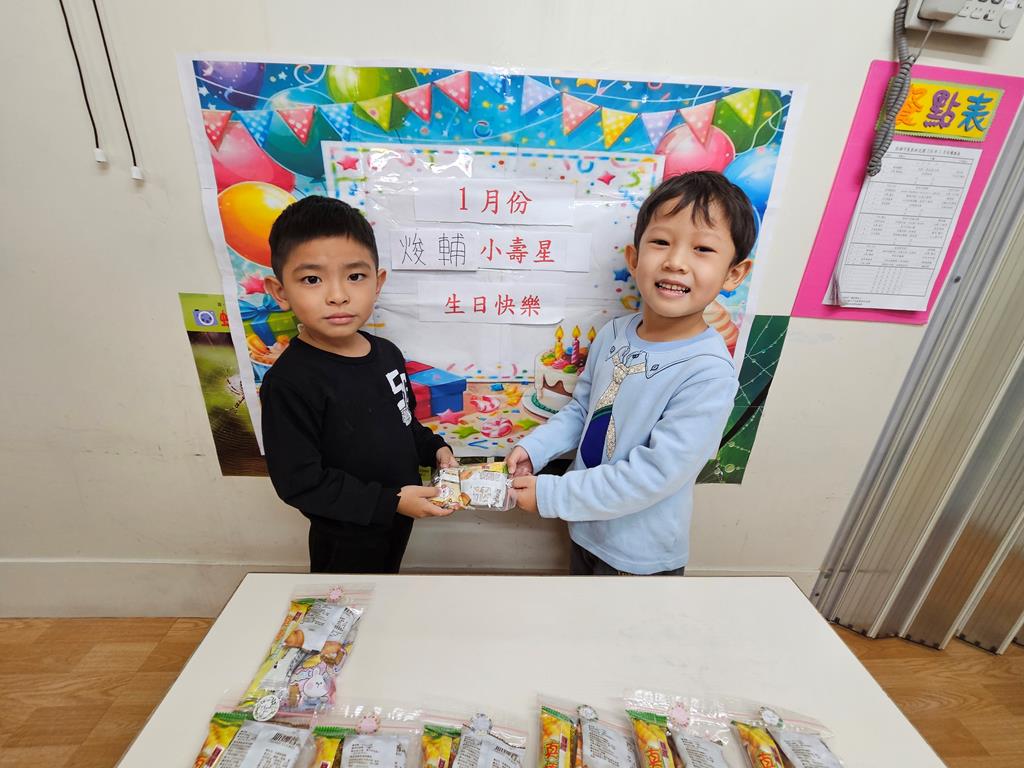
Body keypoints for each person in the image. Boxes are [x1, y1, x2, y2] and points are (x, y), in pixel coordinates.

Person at [508, 171, 756, 575]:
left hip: (638, 556)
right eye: (661, 242)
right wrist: (535, 448)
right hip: (584, 528)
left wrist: (553, 495)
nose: (675, 262)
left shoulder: (708, 372)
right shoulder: (613, 334)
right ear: (635, 258)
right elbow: (582, 412)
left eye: (702, 249)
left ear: (734, 274)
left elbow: (655, 473)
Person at [259, 195, 455, 574]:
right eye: (312, 279)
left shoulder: (387, 354)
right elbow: (299, 482)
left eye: (355, 276)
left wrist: (436, 450)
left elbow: (404, 423)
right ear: (280, 291)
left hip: (397, 516)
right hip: (343, 534)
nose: (338, 295)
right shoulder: (288, 382)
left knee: (385, 587)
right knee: (345, 604)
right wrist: (389, 502)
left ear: (377, 283)